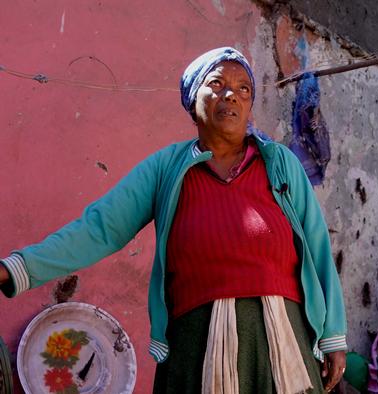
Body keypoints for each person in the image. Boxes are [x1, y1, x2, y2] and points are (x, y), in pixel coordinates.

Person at [0, 47, 347, 393]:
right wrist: (16, 268)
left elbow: (316, 246)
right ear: (193, 100)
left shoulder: (279, 163)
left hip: (282, 342)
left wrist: (333, 336)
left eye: (244, 89)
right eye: (217, 83)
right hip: (195, 346)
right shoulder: (166, 169)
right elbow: (99, 229)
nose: (232, 95)